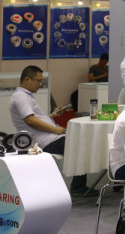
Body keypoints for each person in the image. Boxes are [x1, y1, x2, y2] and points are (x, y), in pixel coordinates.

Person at [9, 66, 88, 194]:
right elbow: (30, 120)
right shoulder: (21, 97)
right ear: (27, 79)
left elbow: (34, 118)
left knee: (80, 141)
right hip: (46, 141)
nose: (40, 84)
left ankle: (78, 185)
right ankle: (78, 186)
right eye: (38, 81)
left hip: (49, 138)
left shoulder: (25, 96)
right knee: (81, 145)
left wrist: (52, 116)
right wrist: (55, 130)